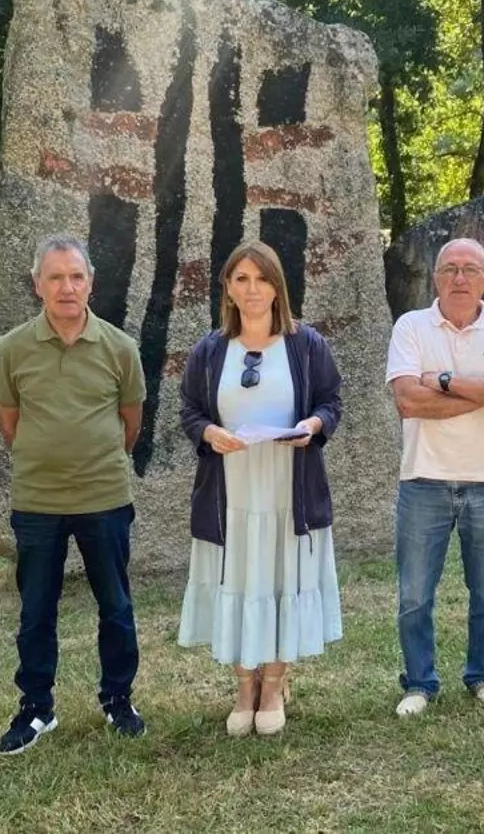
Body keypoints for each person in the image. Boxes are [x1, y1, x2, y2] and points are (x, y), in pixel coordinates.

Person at [177, 241, 344, 737]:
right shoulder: (210, 351)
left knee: (278, 578)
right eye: (242, 279)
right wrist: (210, 433)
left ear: (278, 287)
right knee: (240, 579)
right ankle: (243, 686)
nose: (253, 289)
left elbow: (331, 401)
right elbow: (190, 410)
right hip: (231, 490)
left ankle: (272, 684)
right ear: (227, 288)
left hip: (287, 488)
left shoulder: (306, 345)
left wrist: (313, 425)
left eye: (263, 278)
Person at [0, 236, 148, 753]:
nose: (66, 287)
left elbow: (130, 424)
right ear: (37, 284)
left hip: (105, 497)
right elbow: (10, 423)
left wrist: (94, 457)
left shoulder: (119, 348)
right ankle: (36, 708)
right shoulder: (13, 348)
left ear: (90, 283)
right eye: (55, 277)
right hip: (38, 502)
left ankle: (118, 699)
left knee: (116, 605)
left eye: (76, 276)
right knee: (36, 610)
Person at [385, 237, 484, 718]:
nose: (460, 278)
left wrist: (443, 381)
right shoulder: (411, 326)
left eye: (470, 269)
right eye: (449, 269)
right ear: (436, 278)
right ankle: (418, 682)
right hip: (423, 478)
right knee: (414, 596)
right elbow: (408, 401)